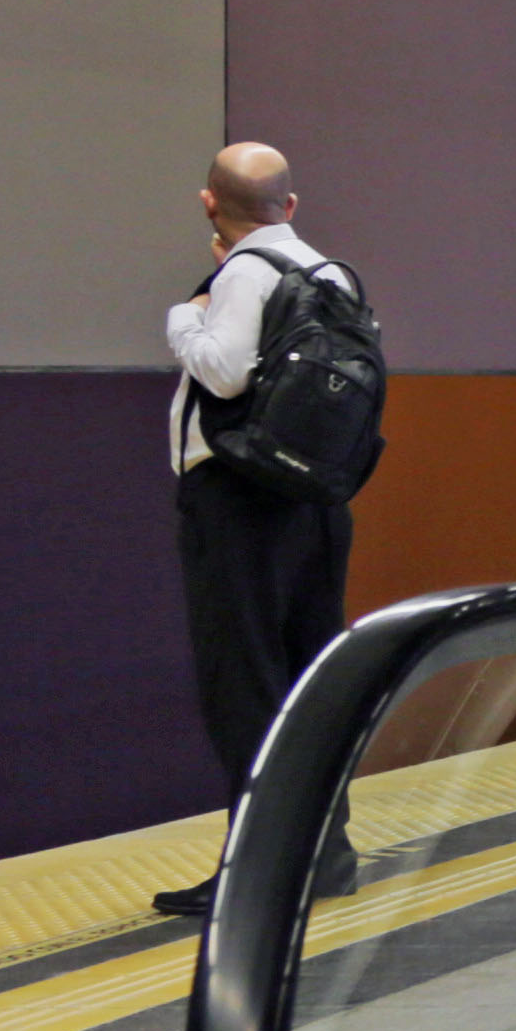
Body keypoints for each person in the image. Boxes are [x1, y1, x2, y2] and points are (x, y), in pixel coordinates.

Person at [157, 140, 357, 924]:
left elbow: (224, 370)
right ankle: (326, 854)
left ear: (209, 203)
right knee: (310, 680)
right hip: (315, 501)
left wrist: (185, 315)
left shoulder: (243, 274)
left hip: (240, 506)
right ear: (292, 206)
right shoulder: (331, 273)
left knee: (244, 688)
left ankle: (260, 874)